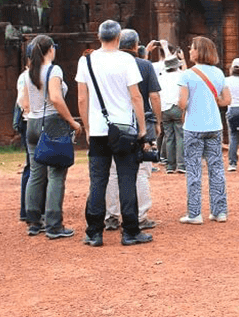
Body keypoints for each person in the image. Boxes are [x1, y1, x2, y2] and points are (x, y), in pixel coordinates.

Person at [76, 20, 151, 247]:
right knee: (127, 179)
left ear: (99, 37)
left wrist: (88, 128)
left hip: (99, 129)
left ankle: (94, 232)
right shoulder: (127, 60)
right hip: (125, 130)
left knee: (98, 181)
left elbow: (82, 97)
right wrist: (143, 128)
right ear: (118, 38)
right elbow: (136, 96)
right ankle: (130, 231)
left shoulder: (86, 60)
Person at [22, 34, 83, 239]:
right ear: (50, 49)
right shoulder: (53, 69)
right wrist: (72, 122)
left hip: (32, 123)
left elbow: (25, 101)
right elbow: (56, 98)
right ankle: (54, 224)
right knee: (56, 174)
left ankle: (33, 221)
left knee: (36, 173)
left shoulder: (30, 71)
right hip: (52, 122)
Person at [103, 29, 162, 232]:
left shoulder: (108, 64)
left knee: (112, 171)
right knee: (141, 172)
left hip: (114, 125)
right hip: (141, 121)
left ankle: (111, 216)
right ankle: (140, 216)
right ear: (137, 46)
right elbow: (154, 96)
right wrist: (158, 121)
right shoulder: (145, 65)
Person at [178, 36, 230, 224]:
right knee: (216, 169)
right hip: (214, 125)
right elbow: (227, 100)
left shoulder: (187, 74)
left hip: (193, 127)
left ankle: (194, 213)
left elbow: (182, 103)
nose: (189, 51)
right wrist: (212, 101)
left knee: (194, 171)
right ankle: (220, 211)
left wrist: (186, 104)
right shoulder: (218, 73)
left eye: (191, 48)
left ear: (198, 51)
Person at [15, 41, 34, 224]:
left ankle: (29, 209)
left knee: (32, 166)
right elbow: (23, 103)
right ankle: (28, 210)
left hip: (28, 122)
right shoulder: (27, 76)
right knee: (33, 167)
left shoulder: (25, 76)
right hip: (31, 122)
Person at [159, 48, 186, 174]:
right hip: (177, 107)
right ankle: (181, 164)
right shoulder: (181, 75)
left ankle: (170, 165)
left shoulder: (161, 77)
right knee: (180, 135)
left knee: (169, 136)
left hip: (164, 109)